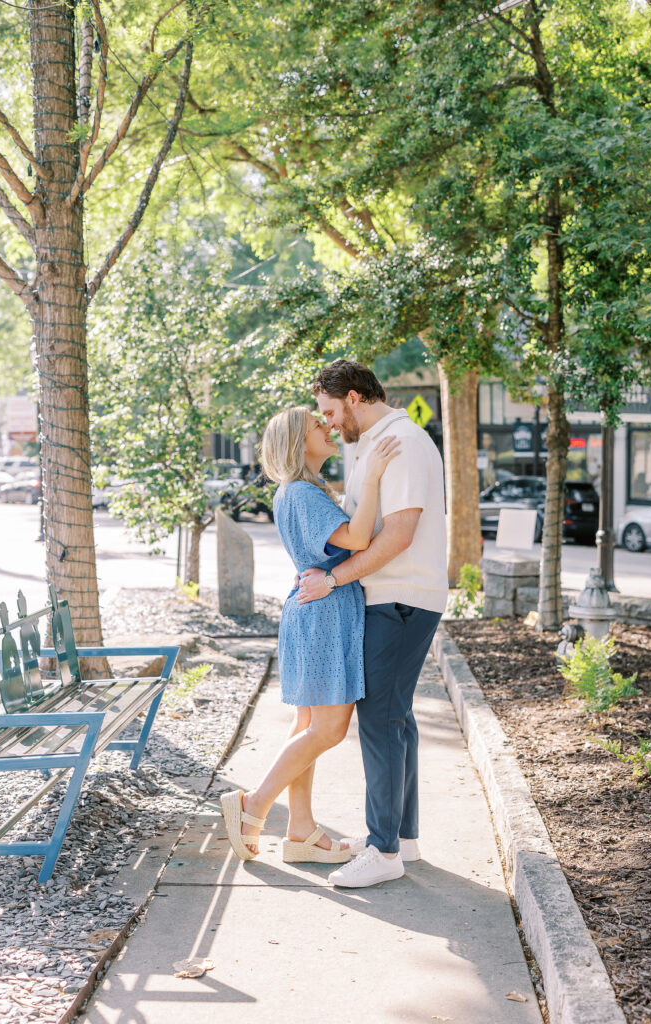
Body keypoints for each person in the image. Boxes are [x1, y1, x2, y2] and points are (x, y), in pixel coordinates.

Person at [221, 406, 399, 863]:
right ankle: (254, 804)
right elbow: (358, 539)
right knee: (328, 729)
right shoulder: (301, 492)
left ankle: (300, 831)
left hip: (313, 609)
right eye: (318, 426)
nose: (328, 427)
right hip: (324, 613)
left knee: (307, 727)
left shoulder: (296, 491)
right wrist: (374, 473)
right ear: (300, 443)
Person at [297, 360, 449, 888]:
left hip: (401, 597)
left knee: (380, 721)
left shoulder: (400, 443)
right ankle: (401, 839)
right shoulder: (376, 445)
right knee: (396, 718)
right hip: (395, 597)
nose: (330, 423)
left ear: (356, 397)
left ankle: (382, 852)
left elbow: (400, 534)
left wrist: (334, 581)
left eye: (331, 411)